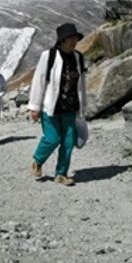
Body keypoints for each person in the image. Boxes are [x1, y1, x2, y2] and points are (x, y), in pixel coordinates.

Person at [28, 23, 87, 186]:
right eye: (71, 38)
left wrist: (83, 106)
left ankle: (61, 174)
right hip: (50, 107)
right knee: (52, 138)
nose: (74, 41)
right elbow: (39, 80)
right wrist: (35, 107)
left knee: (68, 142)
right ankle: (38, 160)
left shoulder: (78, 57)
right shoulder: (49, 56)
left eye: (75, 38)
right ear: (62, 40)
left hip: (70, 107)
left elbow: (81, 83)